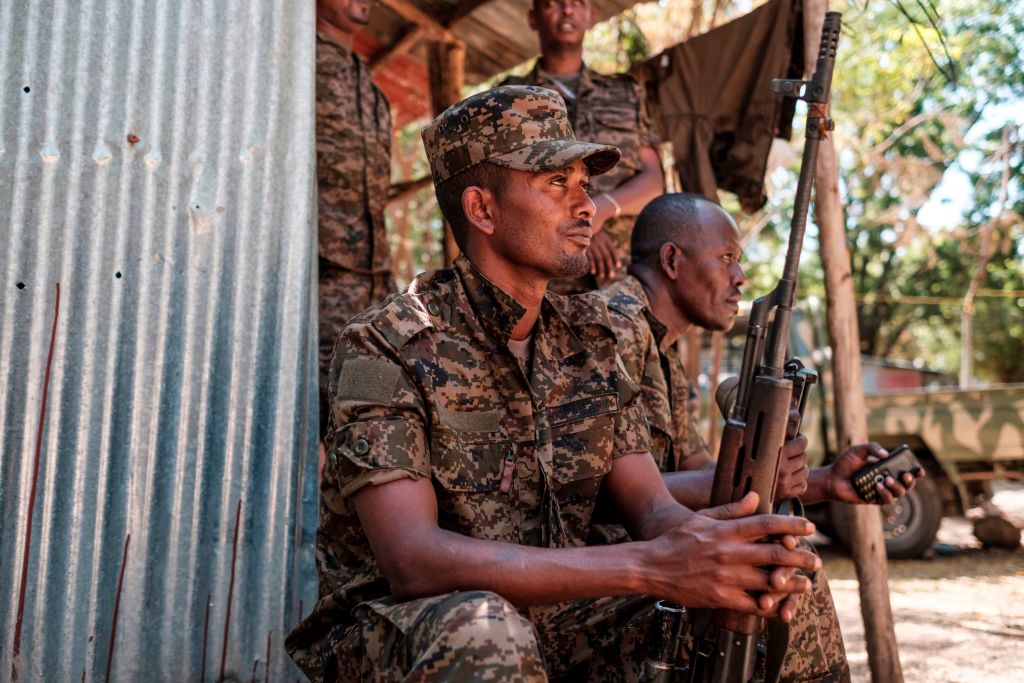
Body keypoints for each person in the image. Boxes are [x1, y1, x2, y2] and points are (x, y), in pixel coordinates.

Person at [285, 86, 823, 682]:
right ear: (483, 210)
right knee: (486, 631)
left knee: (782, 582)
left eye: (584, 184)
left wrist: (722, 548)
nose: (587, 206)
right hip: (414, 631)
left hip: (566, 616)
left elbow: (651, 509)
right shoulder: (385, 343)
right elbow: (415, 561)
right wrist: (650, 567)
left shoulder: (588, 339)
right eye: (555, 184)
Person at [595, 192, 925, 681]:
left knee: (787, 563)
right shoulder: (614, 326)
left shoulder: (663, 349)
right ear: (671, 260)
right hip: (611, 567)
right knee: (784, 568)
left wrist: (825, 481)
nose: (740, 279)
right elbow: (614, 490)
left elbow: (702, 473)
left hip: (652, 555)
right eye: (727, 258)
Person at [500, 0, 663, 292]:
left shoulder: (625, 94)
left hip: (625, 281)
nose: (566, 10)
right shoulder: (509, 99)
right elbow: (505, 187)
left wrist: (600, 210)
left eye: (576, 3)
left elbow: (654, 180)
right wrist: (578, 224)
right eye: (553, 3)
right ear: (533, 18)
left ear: (590, 16)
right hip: (542, 282)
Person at [316, 0, 397, 434]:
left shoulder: (367, 84)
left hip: (372, 288)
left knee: (371, 420)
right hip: (317, 282)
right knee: (314, 426)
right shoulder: (297, 61)